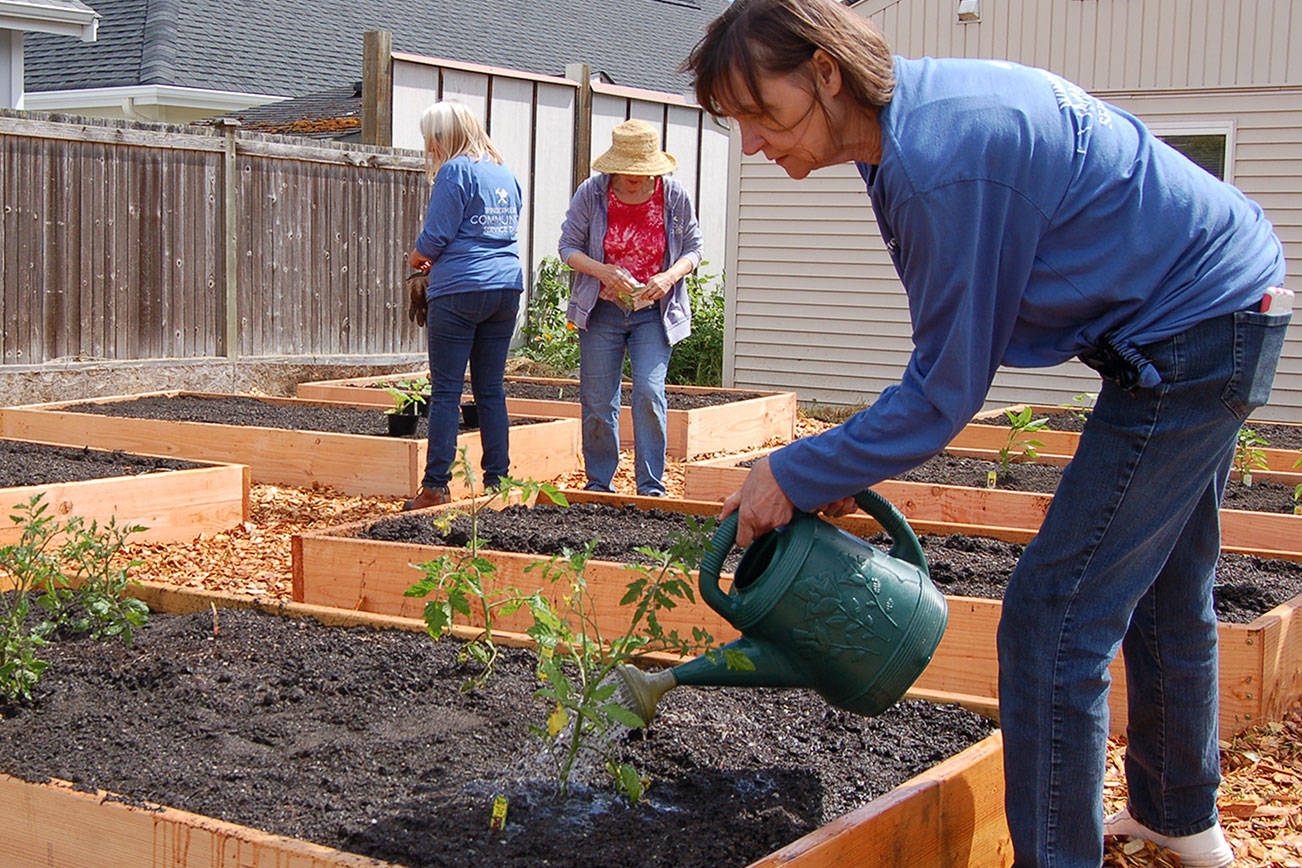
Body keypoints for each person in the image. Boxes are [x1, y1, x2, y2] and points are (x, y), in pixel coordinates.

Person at [684, 1, 1290, 866]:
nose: (752, 143)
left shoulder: (942, 161)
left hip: (1196, 335)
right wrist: (842, 462)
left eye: (760, 114)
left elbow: (945, 391)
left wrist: (799, 469)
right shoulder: (905, 138)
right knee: (1161, 583)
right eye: (736, 123)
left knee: (1053, 623)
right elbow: (952, 335)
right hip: (1223, 307)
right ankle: (1178, 817)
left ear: (826, 72)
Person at [558, 119, 704, 496]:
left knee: (649, 393)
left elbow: (694, 249)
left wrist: (668, 278)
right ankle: (599, 484)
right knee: (597, 399)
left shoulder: (672, 196)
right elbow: (568, 249)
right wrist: (603, 271)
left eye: (642, 171)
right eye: (627, 171)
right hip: (601, 311)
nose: (634, 178)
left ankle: (651, 487)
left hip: (652, 314)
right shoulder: (592, 193)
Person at [404, 100, 524, 510]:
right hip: (506, 288)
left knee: (446, 392)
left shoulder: (455, 171)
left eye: (430, 138)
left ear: (443, 136)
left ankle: (436, 485)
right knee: (490, 388)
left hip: (459, 290)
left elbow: (435, 237)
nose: (430, 146)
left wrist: (416, 259)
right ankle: (499, 484)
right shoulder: (504, 172)